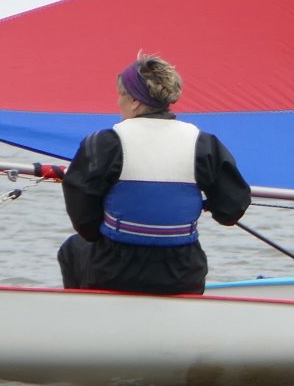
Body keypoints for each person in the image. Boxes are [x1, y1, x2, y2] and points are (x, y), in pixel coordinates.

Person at [57, 53, 251, 295]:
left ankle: (86, 311)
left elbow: (82, 216)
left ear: (134, 101)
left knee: (72, 248)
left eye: (120, 95)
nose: (117, 102)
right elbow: (232, 209)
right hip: (181, 274)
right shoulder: (203, 143)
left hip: (115, 272)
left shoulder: (104, 142)